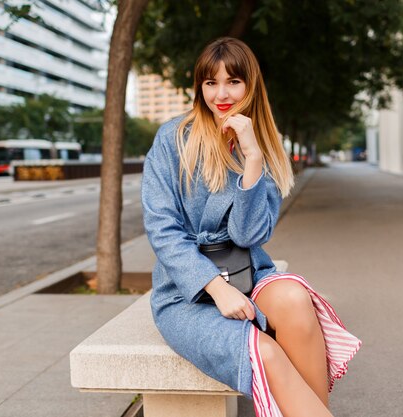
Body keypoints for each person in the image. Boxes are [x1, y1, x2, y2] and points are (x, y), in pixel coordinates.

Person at [141, 37, 361, 417]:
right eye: (211, 83)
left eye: (233, 82)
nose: (221, 94)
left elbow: (250, 235)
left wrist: (253, 158)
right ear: (200, 87)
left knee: (295, 298)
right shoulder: (173, 138)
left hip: (246, 271)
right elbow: (162, 228)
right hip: (185, 290)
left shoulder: (262, 143)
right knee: (268, 352)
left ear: (250, 85)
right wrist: (215, 288)